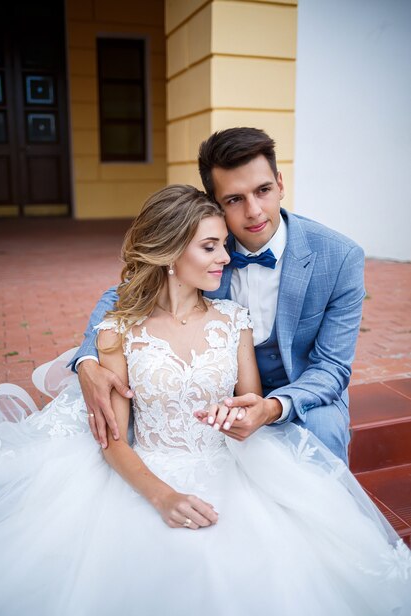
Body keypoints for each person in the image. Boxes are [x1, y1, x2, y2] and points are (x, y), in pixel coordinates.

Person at [0, 184, 410, 616]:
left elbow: (246, 400)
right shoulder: (118, 331)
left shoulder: (234, 320)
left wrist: (238, 415)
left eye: (223, 246)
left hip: (232, 463)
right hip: (149, 469)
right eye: (210, 247)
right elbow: (113, 440)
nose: (225, 258)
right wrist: (163, 496)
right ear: (171, 252)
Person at [73, 128, 365, 464]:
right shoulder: (207, 244)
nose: (254, 211)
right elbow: (122, 295)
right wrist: (87, 361)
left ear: (280, 184)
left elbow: (331, 367)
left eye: (263, 190)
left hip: (300, 384)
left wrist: (272, 406)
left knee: (323, 428)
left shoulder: (339, 257)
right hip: (217, 386)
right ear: (217, 204)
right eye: (235, 199)